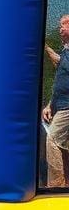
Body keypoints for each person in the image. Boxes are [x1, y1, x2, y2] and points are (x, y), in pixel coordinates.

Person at [42, 14, 69, 187]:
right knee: (63, 146)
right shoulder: (66, 50)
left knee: (52, 139)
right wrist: (50, 105)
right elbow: (61, 74)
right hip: (60, 105)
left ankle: (56, 187)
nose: (60, 29)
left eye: (64, 25)